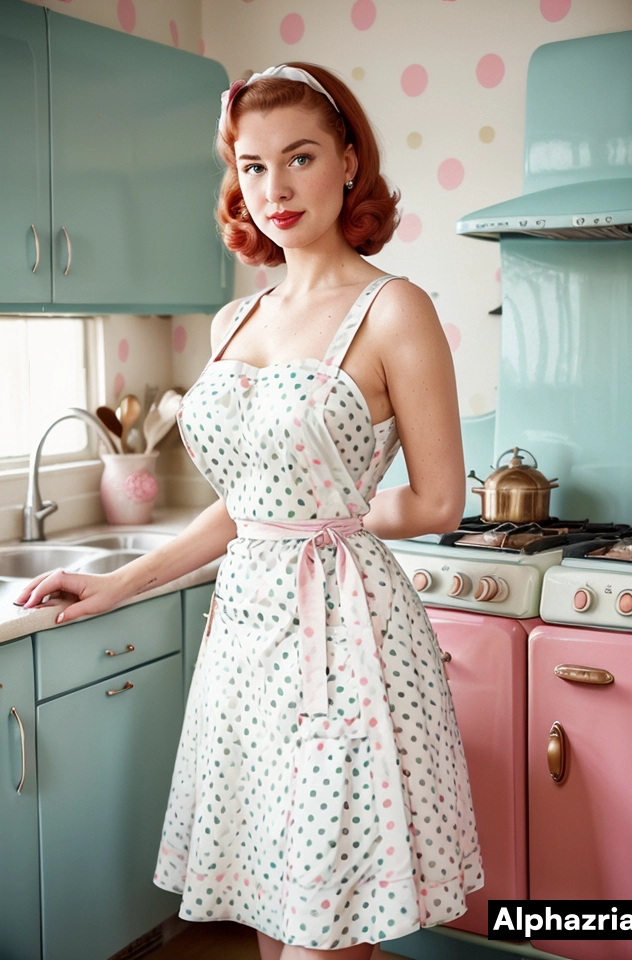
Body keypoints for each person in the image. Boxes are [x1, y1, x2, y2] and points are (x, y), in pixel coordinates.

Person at [15, 63, 483, 960]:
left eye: (300, 157)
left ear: (348, 161)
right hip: (243, 654)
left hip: (347, 645)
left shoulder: (395, 310)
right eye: (254, 165)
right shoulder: (235, 320)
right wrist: (109, 588)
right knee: (273, 920)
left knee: (328, 932)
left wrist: (327, 525)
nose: (276, 188)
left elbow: (437, 500)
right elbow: (241, 512)